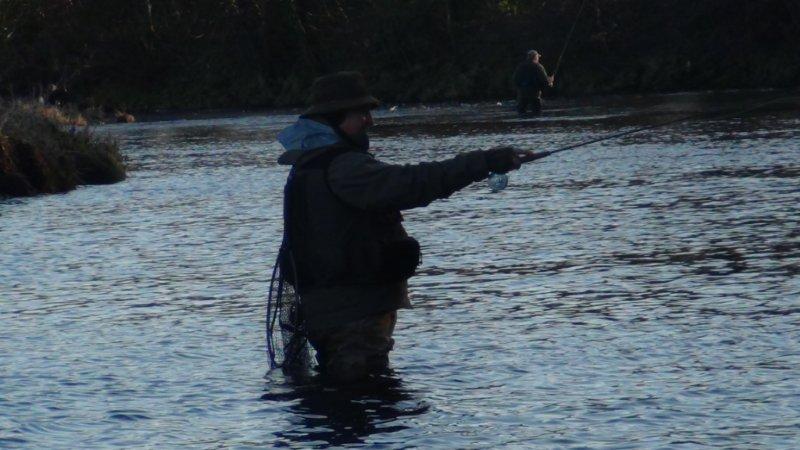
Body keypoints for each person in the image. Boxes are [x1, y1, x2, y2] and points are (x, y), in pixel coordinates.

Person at [275, 71, 530, 383]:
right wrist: (485, 161)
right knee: (361, 400)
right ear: (333, 120)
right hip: (353, 314)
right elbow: (413, 184)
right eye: (360, 114)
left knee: (342, 402)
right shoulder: (345, 167)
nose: (369, 121)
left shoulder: (308, 164)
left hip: (329, 310)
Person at [512, 50, 554, 117]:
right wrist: (550, 82)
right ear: (535, 57)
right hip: (534, 94)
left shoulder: (520, 66)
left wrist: (518, 89)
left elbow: (515, 80)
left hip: (522, 93)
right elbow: (545, 81)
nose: (538, 58)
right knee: (537, 113)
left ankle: (522, 127)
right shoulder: (538, 67)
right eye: (538, 57)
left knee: (521, 113)